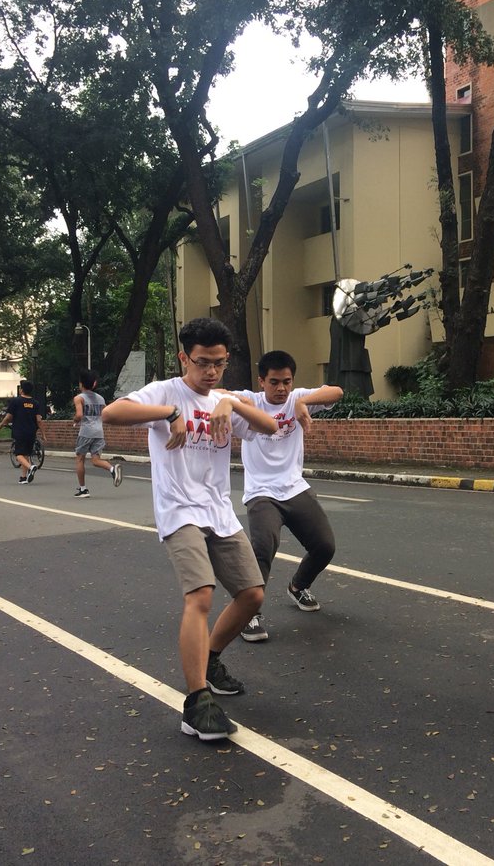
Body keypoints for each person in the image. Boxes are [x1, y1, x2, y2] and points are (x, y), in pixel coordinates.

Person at [101, 317, 278, 742]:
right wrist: (170, 413)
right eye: (202, 363)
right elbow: (112, 412)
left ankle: (211, 660)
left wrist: (232, 403)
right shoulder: (165, 392)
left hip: (218, 510)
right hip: (179, 511)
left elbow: (270, 426)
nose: (211, 372)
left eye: (219, 363)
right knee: (200, 594)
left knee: (252, 594)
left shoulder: (223, 399)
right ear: (184, 358)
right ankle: (197, 702)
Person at [231, 350, 343, 643]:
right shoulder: (251, 400)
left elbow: (337, 391)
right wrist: (229, 403)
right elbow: (215, 394)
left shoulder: (297, 398)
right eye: (274, 382)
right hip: (261, 492)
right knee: (263, 548)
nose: (281, 389)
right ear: (261, 381)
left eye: (287, 382)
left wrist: (303, 401)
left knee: (324, 546)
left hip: (294, 487)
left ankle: (298, 586)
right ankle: (249, 613)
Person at [71, 369, 121, 498]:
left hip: (86, 432)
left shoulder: (79, 398)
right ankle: (111, 469)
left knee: (80, 459)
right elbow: (105, 415)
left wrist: (75, 420)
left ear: (81, 384)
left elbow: (79, 414)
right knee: (95, 460)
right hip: (99, 432)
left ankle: (83, 489)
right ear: (94, 384)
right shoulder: (101, 398)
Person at [0, 379, 44, 484]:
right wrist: (43, 434)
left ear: (21, 390)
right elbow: (39, 420)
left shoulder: (16, 401)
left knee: (18, 454)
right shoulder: (35, 403)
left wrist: (1, 424)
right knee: (26, 454)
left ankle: (30, 467)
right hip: (32, 432)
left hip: (20, 431)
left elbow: (9, 417)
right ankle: (23, 477)